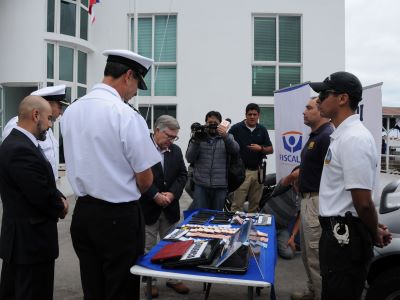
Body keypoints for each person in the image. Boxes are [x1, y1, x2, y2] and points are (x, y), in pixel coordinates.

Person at [61, 49, 161, 299]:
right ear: (128, 75)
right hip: (119, 217)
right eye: (138, 83)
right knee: (121, 290)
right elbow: (146, 178)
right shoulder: (125, 114)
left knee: (93, 288)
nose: (136, 91)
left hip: (83, 213)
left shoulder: (72, 111)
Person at [310, 71, 392, 299]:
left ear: (343, 98)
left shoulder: (354, 138)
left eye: (324, 94)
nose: (318, 100)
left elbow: (363, 203)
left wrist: (373, 230)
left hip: (345, 240)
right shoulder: (343, 136)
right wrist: (373, 227)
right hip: (339, 236)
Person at [0, 95, 68, 300]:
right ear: (35, 115)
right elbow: (39, 194)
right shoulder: (20, 148)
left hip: (27, 244)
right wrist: (61, 206)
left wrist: (59, 196)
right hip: (29, 245)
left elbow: (43, 181)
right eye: (49, 119)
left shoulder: (22, 143)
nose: (49, 125)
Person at [139, 115, 189, 297]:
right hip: (148, 207)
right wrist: (155, 195)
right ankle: (149, 281)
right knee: (148, 246)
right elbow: (137, 175)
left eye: (175, 137)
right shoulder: (142, 149)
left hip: (170, 207)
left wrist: (172, 193)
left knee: (172, 245)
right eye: (169, 136)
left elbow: (183, 175)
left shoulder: (175, 150)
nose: (171, 141)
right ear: (157, 130)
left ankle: (172, 278)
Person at [290, 97, 333, 300]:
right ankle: (312, 291)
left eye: (309, 108)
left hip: (317, 202)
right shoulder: (316, 135)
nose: (304, 111)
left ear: (321, 111)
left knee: (316, 256)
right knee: (308, 254)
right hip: (308, 200)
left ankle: (320, 295)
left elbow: (332, 174)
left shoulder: (327, 136)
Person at [2, 85, 68, 180]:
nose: (61, 112)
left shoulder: (44, 127)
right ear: (47, 104)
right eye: (60, 106)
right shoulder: (17, 125)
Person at [186, 111, 239, 210]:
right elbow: (189, 158)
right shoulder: (199, 137)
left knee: (216, 217)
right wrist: (196, 140)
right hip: (201, 185)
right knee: (200, 215)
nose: (213, 126)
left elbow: (235, 149)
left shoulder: (228, 137)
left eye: (215, 124)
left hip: (220, 186)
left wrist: (225, 136)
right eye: (210, 123)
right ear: (205, 123)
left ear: (221, 124)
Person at [230, 103, 274, 212]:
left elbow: (271, 149)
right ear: (245, 115)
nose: (252, 117)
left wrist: (261, 149)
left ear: (259, 115)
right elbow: (227, 145)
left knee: (255, 204)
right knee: (237, 204)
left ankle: (251, 227)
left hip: (258, 171)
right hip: (241, 172)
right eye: (250, 114)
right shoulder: (236, 128)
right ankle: (235, 228)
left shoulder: (262, 129)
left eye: (255, 114)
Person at [260, 167, 300, 259]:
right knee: (262, 253)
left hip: (282, 229)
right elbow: (293, 176)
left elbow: (299, 218)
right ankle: (272, 243)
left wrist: (292, 237)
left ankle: (275, 243)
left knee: (289, 254)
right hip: (265, 224)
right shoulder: (284, 185)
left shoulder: (303, 195)